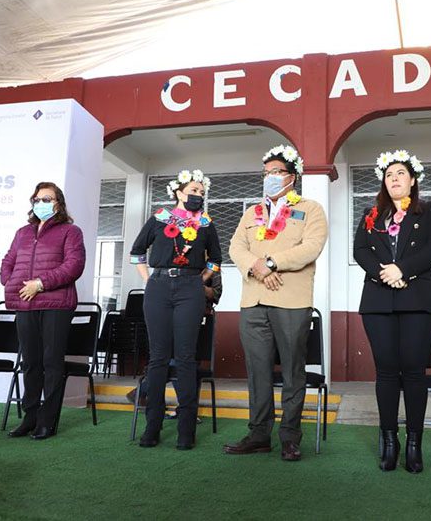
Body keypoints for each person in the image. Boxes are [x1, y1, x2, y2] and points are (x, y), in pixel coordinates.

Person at [225, 145, 327, 462]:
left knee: (293, 371)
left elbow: (311, 247)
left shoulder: (310, 209)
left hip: (291, 301)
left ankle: (290, 438)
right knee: (258, 371)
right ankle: (259, 435)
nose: (270, 177)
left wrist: (270, 263)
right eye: (266, 173)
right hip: (253, 301)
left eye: (277, 172)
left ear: (291, 177)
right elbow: (236, 248)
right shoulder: (252, 213)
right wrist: (256, 267)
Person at [353, 150, 431, 473]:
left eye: (400, 174)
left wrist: (402, 270)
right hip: (378, 300)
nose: (394, 179)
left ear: (413, 180)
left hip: (419, 299)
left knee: (413, 370)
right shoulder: (371, 214)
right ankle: (390, 441)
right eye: (389, 174)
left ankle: (414, 445)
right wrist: (385, 274)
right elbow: (360, 250)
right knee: (386, 370)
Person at [130, 169, 221, 450]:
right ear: (179, 193)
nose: (198, 196)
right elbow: (137, 251)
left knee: (185, 357)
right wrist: (148, 280)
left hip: (190, 289)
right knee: (158, 358)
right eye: (193, 191)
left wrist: (198, 281)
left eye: (201, 192)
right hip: (157, 287)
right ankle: (152, 426)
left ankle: (186, 430)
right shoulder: (159, 218)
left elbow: (216, 260)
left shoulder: (205, 223)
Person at [1, 182, 85, 440]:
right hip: (25, 304)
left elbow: (74, 265)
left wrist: (40, 284)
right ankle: (30, 417)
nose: (41, 203)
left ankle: (47, 421)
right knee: (30, 363)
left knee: (52, 363)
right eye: (37, 199)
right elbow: (8, 261)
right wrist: (10, 282)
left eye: (47, 199)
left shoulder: (70, 231)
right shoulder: (22, 232)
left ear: (58, 204)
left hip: (55, 304)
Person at [126, 271, 222, 418]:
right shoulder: (174, 265)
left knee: (190, 363)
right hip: (173, 315)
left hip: (201, 317)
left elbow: (216, 294)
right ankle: (183, 408)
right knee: (173, 359)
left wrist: (194, 286)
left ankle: (145, 392)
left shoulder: (213, 269)